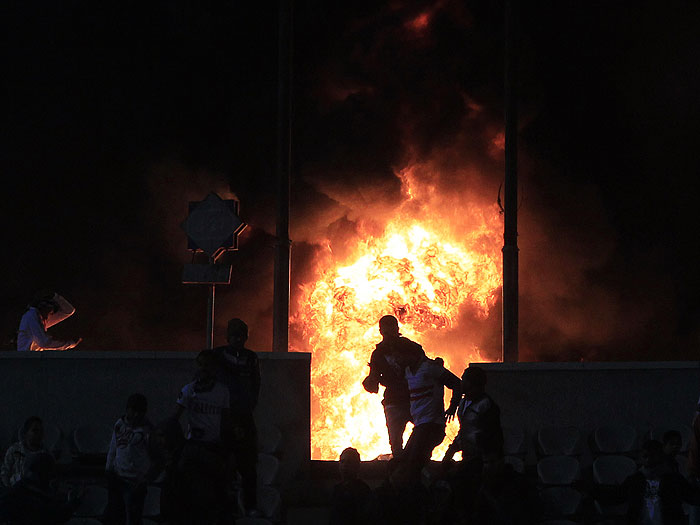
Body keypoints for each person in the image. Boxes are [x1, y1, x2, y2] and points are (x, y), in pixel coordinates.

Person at [169, 350, 231, 525]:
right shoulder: (188, 390)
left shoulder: (222, 392)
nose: (204, 369)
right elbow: (175, 418)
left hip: (213, 447)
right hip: (194, 447)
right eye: (201, 365)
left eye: (208, 365)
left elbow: (226, 421)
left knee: (215, 493)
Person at [212, 318, 261, 517]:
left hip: (244, 415)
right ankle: (224, 505)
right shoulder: (217, 356)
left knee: (248, 464)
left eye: (241, 336)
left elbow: (256, 384)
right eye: (234, 336)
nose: (238, 340)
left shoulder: (251, 358)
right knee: (222, 462)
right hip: (224, 416)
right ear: (227, 337)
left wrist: (249, 405)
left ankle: (249, 505)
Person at [362, 315, 425, 459]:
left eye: (391, 330)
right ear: (381, 331)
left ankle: (412, 459)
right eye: (386, 331)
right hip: (394, 402)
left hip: (413, 399)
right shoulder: (378, 354)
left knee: (423, 432)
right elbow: (374, 381)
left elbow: (425, 366)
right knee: (396, 444)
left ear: (397, 329)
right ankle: (401, 467)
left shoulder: (411, 347)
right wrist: (370, 383)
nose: (389, 334)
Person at [401, 352, 461, 482]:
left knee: (412, 464)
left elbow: (456, 383)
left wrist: (453, 406)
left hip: (432, 426)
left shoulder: (430, 368)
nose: (397, 359)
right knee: (406, 462)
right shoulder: (407, 372)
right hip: (420, 426)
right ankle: (431, 481)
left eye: (400, 355)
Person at [104, 393, 161, 525]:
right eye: (133, 410)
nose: (136, 415)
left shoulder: (147, 431)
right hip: (117, 478)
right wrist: (108, 468)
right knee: (116, 517)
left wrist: (145, 479)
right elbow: (113, 447)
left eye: (139, 412)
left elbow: (157, 458)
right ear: (127, 409)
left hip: (135, 483)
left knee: (133, 519)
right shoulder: (119, 425)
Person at [443, 365, 503, 465]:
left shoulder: (486, 405)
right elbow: (464, 431)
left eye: (464, 380)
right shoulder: (463, 403)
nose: (461, 383)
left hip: (483, 460)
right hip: (468, 455)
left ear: (472, 384)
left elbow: (492, 436)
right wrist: (450, 451)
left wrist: (487, 462)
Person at [467, 440, 538, 524]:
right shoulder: (480, 482)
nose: (489, 466)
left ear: (501, 461)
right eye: (486, 462)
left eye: (492, 462)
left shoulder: (517, 482)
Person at [0, 451, 81, 524]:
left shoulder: (19, 490)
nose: (52, 478)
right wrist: (72, 504)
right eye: (49, 473)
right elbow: (53, 516)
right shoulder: (28, 499)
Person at [329, 447, 374, 525]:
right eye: (342, 462)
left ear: (357, 466)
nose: (345, 466)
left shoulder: (363, 490)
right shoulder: (336, 489)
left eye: (349, 462)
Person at [1, 416, 47, 488]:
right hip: (14, 492)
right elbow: (5, 472)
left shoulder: (46, 454)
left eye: (41, 431)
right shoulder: (14, 450)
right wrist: (8, 488)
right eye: (35, 430)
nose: (39, 434)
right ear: (26, 432)